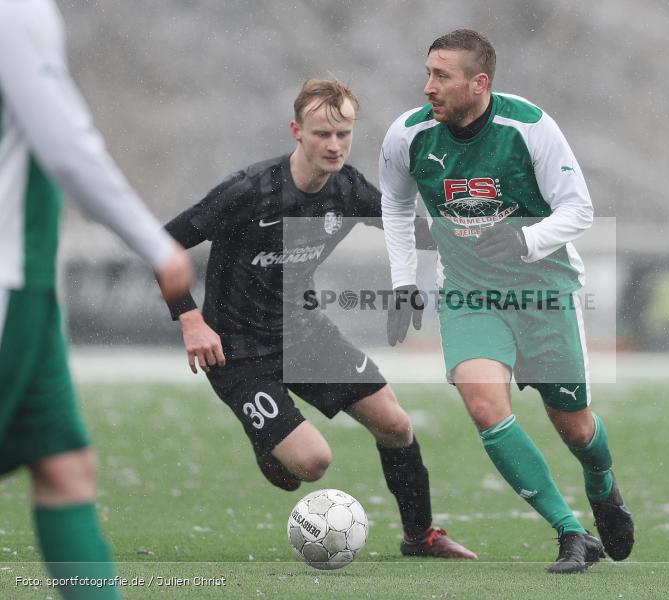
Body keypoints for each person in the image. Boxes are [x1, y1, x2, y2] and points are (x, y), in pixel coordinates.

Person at [159, 78, 475, 560]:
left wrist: (478, 242)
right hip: (237, 350)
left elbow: (411, 233)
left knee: (395, 424)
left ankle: (421, 537)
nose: (334, 145)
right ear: (297, 132)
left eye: (343, 134)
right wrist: (190, 320)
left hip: (303, 333)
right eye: (322, 134)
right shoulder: (250, 190)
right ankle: (270, 440)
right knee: (312, 463)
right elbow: (162, 246)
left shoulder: (347, 189)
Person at [379, 29, 635, 574]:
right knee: (484, 407)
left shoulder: (530, 126)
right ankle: (571, 532)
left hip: (544, 292)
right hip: (470, 295)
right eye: (427, 73)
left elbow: (578, 209)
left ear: (480, 82)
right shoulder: (407, 136)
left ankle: (602, 483)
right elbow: (396, 208)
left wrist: (526, 239)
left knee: (577, 429)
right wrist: (404, 282)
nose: (428, 87)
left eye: (441, 76)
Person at [0, 1, 194, 598]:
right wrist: (155, 244)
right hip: (10, 280)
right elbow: (66, 146)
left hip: (28, 286)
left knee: (64, 467)